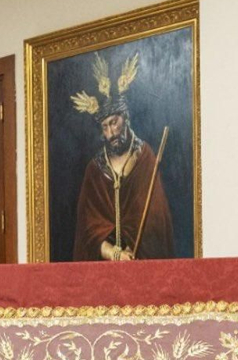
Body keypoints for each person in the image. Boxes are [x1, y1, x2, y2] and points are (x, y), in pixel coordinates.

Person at [70, 53, 176, 261]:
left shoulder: (144, 157)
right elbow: (87, 228)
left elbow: (156, 220)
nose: (111, 132)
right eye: (105, 126)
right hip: (104, 268)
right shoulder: (95, 168)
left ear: (125, 119)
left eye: (114, 122)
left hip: (141, 265)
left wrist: (135, 246)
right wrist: (113, 253)